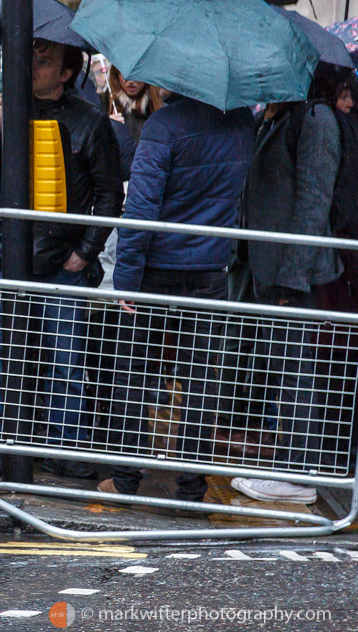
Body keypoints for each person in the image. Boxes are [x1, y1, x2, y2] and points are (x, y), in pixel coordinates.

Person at [0, 38, 124, 479]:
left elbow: (109, 195)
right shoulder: (6, 112)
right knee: (0, 358)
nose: (33, 67)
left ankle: (64, 448)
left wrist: (84, 252)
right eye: (31, 59)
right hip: (6, 257)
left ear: (65, 73)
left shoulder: (90, 123)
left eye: (44, 61)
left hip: (62, 262)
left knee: (66, 362)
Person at [95, 90, 255, 505]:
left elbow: (141, 210)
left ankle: (125, 479)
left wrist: (125, 281)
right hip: (210, 270)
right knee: (201, 382)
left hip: (156, 270)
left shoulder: (163, 126)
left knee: (134, 377)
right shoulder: (240, 122)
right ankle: (191, 488)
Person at [230, 69, 345, 505]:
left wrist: (292, 278)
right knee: (283, 367)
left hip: (293, 273)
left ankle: (299, 474)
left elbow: (314, 202)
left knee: (296, 369)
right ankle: (289, 463)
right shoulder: (279, 116)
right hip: (269, 266)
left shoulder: (315, 120)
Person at [107, 67, 163, 143]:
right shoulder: (104, 104)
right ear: (117, 74)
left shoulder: (159, 107)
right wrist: (107, 127)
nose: (131, 81)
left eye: (136, 74)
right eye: (125, 74)